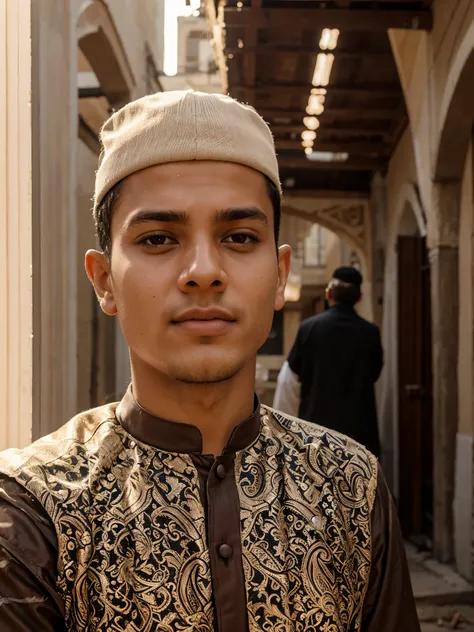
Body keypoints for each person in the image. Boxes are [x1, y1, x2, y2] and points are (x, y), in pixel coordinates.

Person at [0, 91, 418, 632]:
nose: (203, 270)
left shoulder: (351, 488)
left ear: (279, 274)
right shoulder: (34, 509)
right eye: (157, 239)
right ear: (104, 281)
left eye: (240, 237)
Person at [274, 266, 383, 457]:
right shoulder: (370, 333)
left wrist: (284, 434)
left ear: (329, 294)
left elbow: (288, 382)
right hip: (359, 441)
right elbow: (374, 374)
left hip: (316, 439)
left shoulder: (309, 329)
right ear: (359, 298)